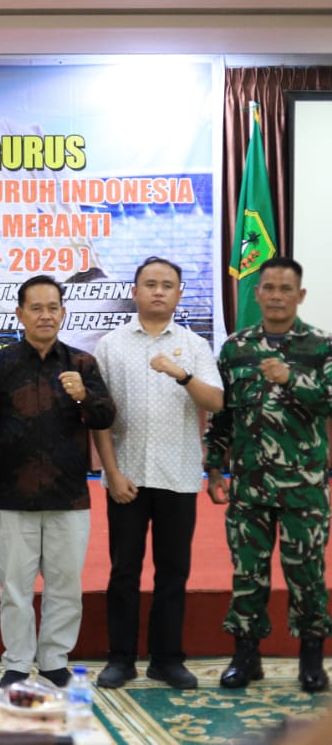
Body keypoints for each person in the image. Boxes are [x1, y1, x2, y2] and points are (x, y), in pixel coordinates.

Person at [0, 274, 115, 688]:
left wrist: (83, 395)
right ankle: (17, 663)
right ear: (20, 314)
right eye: (36, 308)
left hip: (68, 496)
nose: (45, 315)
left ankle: (54, 659)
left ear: (63, 313)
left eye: (53, 308)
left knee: (65, 585)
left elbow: (105, 417)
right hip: (12, 496)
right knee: (14, 587)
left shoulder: (82, 364)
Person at [91, 257, 223, 691]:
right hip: (126, 478)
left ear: (180, 293)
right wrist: (111, 473)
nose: (159, 291)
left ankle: (167, 660)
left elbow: (216, 402)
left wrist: (181, 374)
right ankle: (121, 659)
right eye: (150, 284)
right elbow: (100, 417)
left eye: (168, 284)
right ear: (135, 291)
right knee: (123, 573)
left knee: (172, 573)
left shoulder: (195, 345)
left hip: (178, 475)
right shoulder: (110, 345)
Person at [205, 257, 332, 693]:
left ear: (300, 295)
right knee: (248, 574)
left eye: (285, 288)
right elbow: (223, 415)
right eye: (269, 288)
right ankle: (246, 656)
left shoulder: (320, 346)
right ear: (257, 294)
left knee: (307, 574)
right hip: (249, 487)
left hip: (304, 487)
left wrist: (291, 378)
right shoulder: (236, 348)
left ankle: (311, 658)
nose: (277, 296)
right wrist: (214, 467)